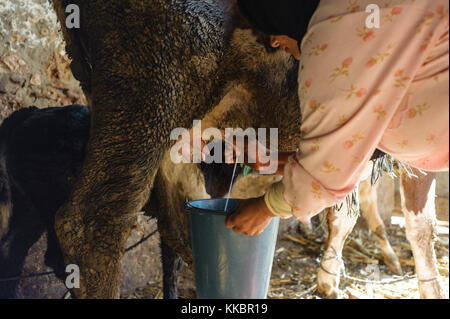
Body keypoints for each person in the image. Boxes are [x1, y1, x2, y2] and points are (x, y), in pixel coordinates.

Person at [225, 0, 449, 235]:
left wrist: (265, 208)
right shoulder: (356, 14)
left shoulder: (334, 40)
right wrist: (272, 160)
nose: (274, 42)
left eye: (271, 27)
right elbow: (352, 153)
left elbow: (330, 170)